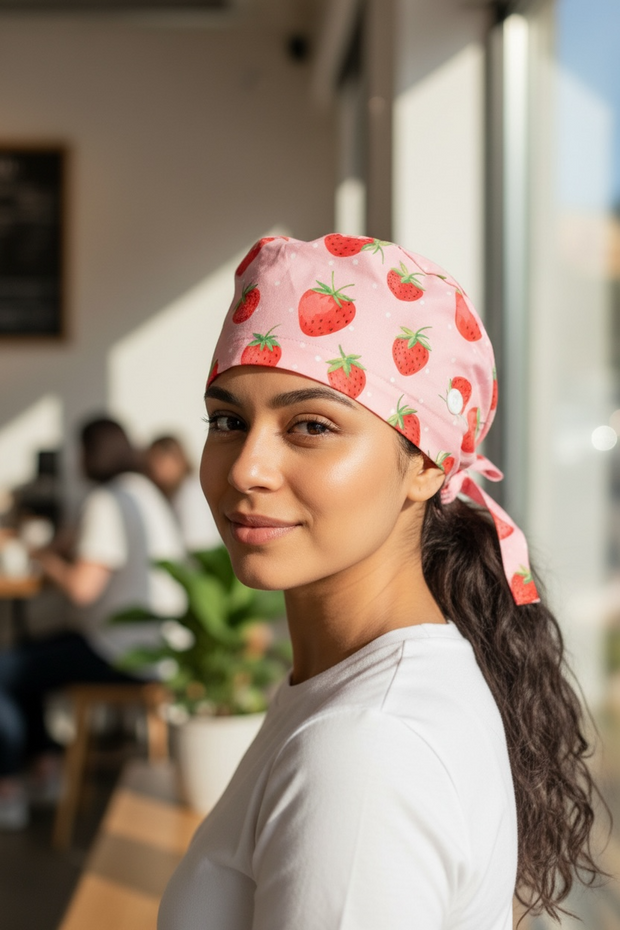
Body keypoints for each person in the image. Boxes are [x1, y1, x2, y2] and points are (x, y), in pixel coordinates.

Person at [158, 235, 604, 928]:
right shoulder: (355, 689)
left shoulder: (365, 746)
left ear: (426, 463)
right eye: (227, 420)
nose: (246, 468)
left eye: (310, 425)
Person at [0, 416, 186, 830]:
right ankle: (46, 767)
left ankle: (9, 787)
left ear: (90, 453)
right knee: (29, 657)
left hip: (121, 654)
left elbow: (83, 589)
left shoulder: (107, 500)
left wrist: (44, 556)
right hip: (155, 647)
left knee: (7, 668)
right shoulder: (141, 493)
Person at [146, 434, 221, 552]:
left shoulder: (190, 493)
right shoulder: (181, 490)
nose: (154, 468)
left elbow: (197, 545)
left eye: (159, 460)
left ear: (176, 459)